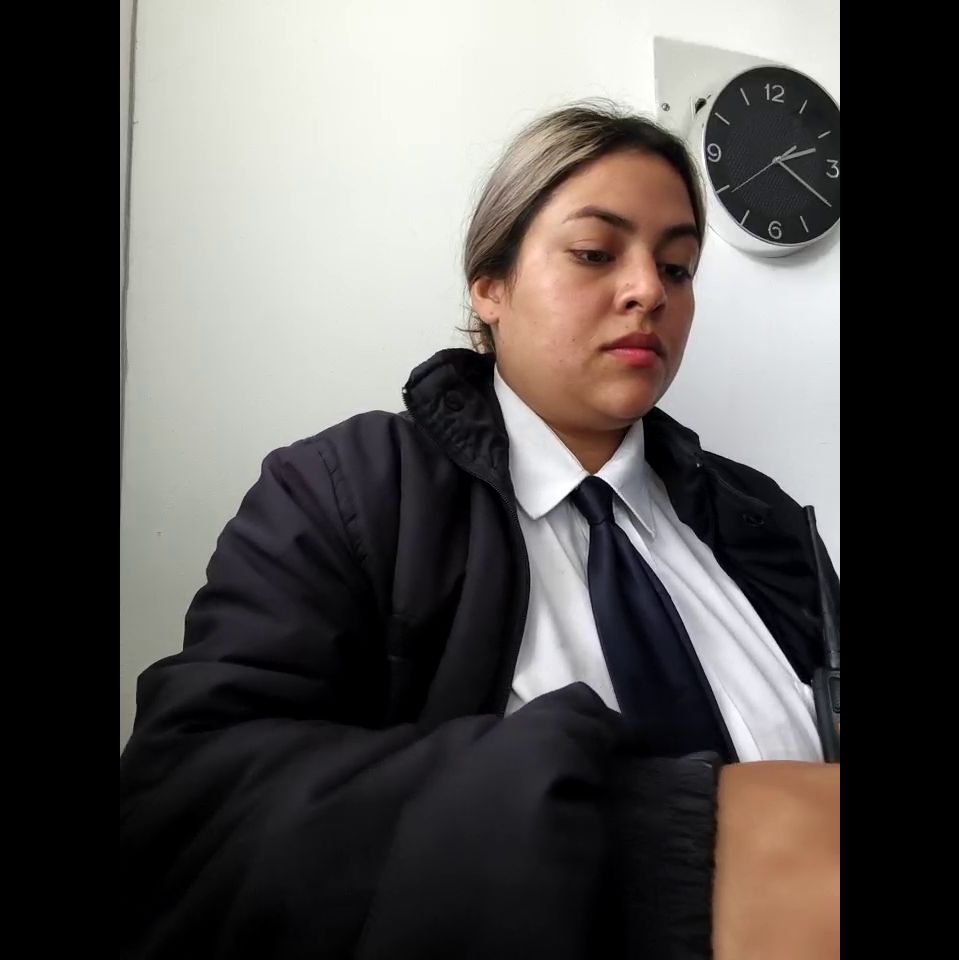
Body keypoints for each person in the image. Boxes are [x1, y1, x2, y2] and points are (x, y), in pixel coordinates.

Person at [120, 101, 840, 960]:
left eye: (678, 267)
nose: (649, 290)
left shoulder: (761, 519)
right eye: (594, 253)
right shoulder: (346, 490)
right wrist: (671, 846)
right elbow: (190, 810)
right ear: (489, 286)